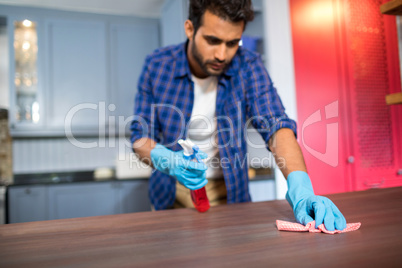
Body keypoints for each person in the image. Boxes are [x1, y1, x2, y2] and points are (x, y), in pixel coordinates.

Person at [131, 0, 347, 231]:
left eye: (232, 43)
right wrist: (168, 161)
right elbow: (140, 137)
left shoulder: (248, 65)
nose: (222, 55)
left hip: (230, 193)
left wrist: (302, 189)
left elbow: (277, 126)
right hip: (169, 193)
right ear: (190, 29)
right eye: (213, 41)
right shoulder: (157, 65)